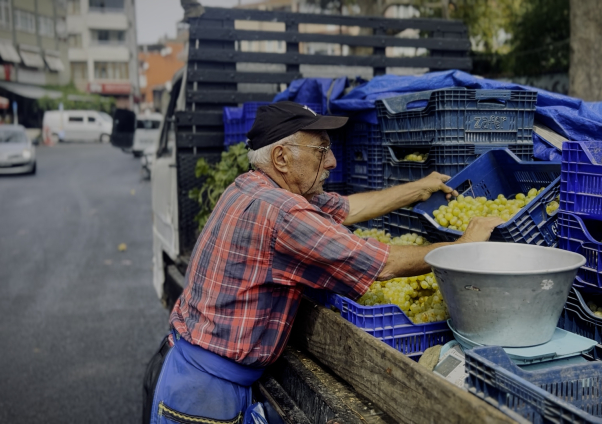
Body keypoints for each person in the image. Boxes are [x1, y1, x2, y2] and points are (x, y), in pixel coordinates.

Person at [144, 102, 503, 424]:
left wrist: (418, 188)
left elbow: (351, 208)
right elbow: (381, 264)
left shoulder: (253, 187)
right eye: (321, 149)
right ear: (282, 158)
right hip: (204, 396)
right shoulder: (283, 212)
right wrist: (461, 247)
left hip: (189, 373)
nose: (332, 161)